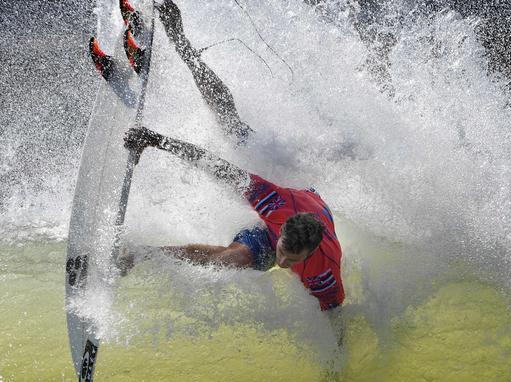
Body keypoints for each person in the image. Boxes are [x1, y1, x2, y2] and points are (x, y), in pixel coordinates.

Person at [123, 126, 345, 312]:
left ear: (311, 252)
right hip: (293, 206)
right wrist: (156, 139)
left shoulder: (325, 270)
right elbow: (216, 166)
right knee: (232, 260)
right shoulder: (273, 204)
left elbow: (334, 315)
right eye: (282, 252)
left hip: (310, 208)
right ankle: (138, 255)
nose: (282, 263)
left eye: (292, 259)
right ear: (281, 232)